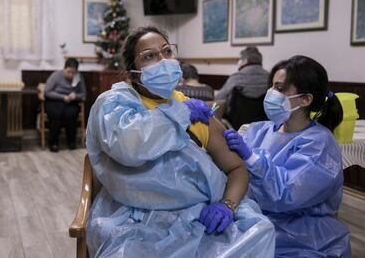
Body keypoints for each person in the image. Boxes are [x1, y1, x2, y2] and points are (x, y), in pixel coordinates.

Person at [85, 26, 275, 257]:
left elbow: (236, 168)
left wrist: (227, 205)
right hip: (134, 216)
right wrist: (180, 114)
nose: (163, 60)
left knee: (260, 231)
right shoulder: (116, 105)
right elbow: (130, 146)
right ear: (132, 72)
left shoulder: (197, 112)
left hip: (198, 216)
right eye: (149, 56)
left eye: (167, 51)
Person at [223, 55, 351, 257]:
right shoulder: (258, 130)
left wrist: (251, 159)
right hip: (253, 220)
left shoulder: (320, 144)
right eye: (272, 86)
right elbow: (228, 169)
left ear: (306, 99)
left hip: (301, 237)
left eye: (280, 89)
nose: (271, 94)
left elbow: (286, 195)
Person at [44, 58, 86, 152]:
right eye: (69, 72)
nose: (71, 74)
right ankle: (53, 143)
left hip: (71, 101)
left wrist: (75, 96)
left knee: (71, 115)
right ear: (64, 69)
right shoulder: (55, 75)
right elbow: (47, 92)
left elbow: (83, 93)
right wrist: (62, 97)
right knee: (56, 115)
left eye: (73, 72)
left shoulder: (79, 77)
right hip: (55, 100)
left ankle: (71, 142)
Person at [215, 46, 269, 114]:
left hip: (237, 121)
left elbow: (218, 98)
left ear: (244, 61)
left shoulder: (236, 77)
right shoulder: (270, 77)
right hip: (264, 120)